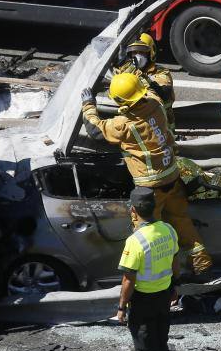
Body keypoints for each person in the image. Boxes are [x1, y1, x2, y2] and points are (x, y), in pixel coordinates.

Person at [81, 73, 213, 277]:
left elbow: (95, 129)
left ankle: (158, 277)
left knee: (148, 235)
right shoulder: (156, 103)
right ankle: (202, 265)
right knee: (181, 220)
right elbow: (153, 89)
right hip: (173, 177)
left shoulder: (124, 125)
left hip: (150, 189)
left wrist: (88, 104)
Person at [116, 187, 179, 351]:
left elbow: (128, 280)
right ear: (154, 207)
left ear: (133, 211)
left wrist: (122, 307)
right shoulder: (168, 230)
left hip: (143, 301)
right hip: (163, 297)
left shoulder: (135, 241)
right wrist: (174, 287)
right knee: (160, 345)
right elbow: (174, 262)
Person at [115, 33, 176, 136]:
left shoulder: (161, 72)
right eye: (134, 52)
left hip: (161, 130)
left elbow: (163, 94)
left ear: (151, 52)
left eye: (141, 52)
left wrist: (131, 70)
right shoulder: (123, 70)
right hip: (135, 127)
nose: (137, 55)